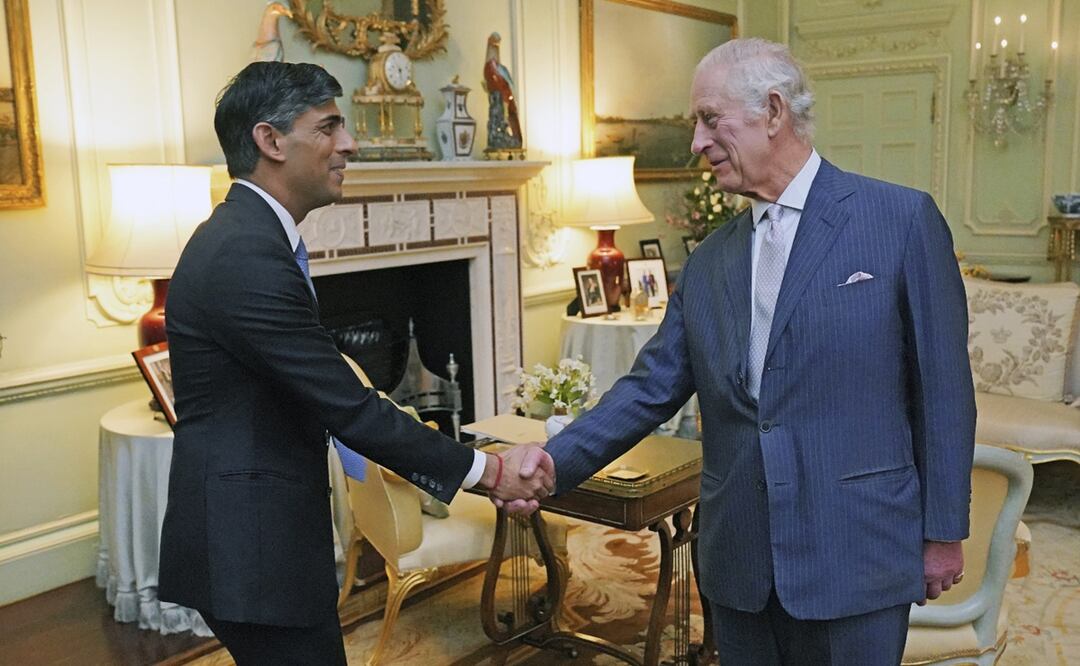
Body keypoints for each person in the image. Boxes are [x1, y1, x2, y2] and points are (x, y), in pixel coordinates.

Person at [510, 38, 975, 664]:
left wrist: (943, 532)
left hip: (856, 552)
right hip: (740, 562)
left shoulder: (899, 221)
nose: (697, 142)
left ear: (774, 112)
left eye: (709, 118)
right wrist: (550, 462)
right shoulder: (708, 262)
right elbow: (649, 388)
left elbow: (945, 392)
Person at [157, 61, 553, 665]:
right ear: (270, 141)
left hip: (255, 532)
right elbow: (349, 407)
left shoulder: (252, 237)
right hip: (251, 545)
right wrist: (489, 473)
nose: (350, 143)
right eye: (329, 127)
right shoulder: (246, 255)